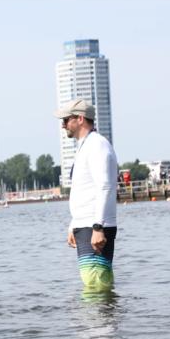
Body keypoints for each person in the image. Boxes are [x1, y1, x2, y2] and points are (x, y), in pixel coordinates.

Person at [56, 99, 118, 291]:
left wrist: (98, 227)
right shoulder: (85, 146)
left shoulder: (97, 145)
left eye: (66, 119)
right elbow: (83, 190)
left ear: (80, 119)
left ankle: (99, 321)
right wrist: (73, 224)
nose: (63, 124)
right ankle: (96, 320)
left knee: (95, 281)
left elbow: (104, 186)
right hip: (84, 225)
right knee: (93, 281)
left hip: (95, 226)